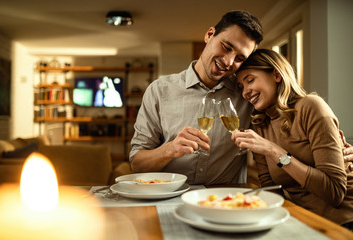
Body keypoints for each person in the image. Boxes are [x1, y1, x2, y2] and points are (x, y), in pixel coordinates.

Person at [129, 10, 263, 185]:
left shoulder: (247, 95)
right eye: (226, 47)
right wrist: (169, 149)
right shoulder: (159, 91)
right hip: (170, 200)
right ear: (209, 35)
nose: (229, 62)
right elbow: (136, 165)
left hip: (226, 203)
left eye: (239, 58)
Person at [232, 49, 353, 229]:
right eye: (241, 87)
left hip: (340, 222)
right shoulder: (259, 125)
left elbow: (334, 192)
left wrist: (275, 152)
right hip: (298, 218)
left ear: (276, 75)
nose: (245, 93)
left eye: (250, 80)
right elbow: (271, 190)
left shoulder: (311, 107)